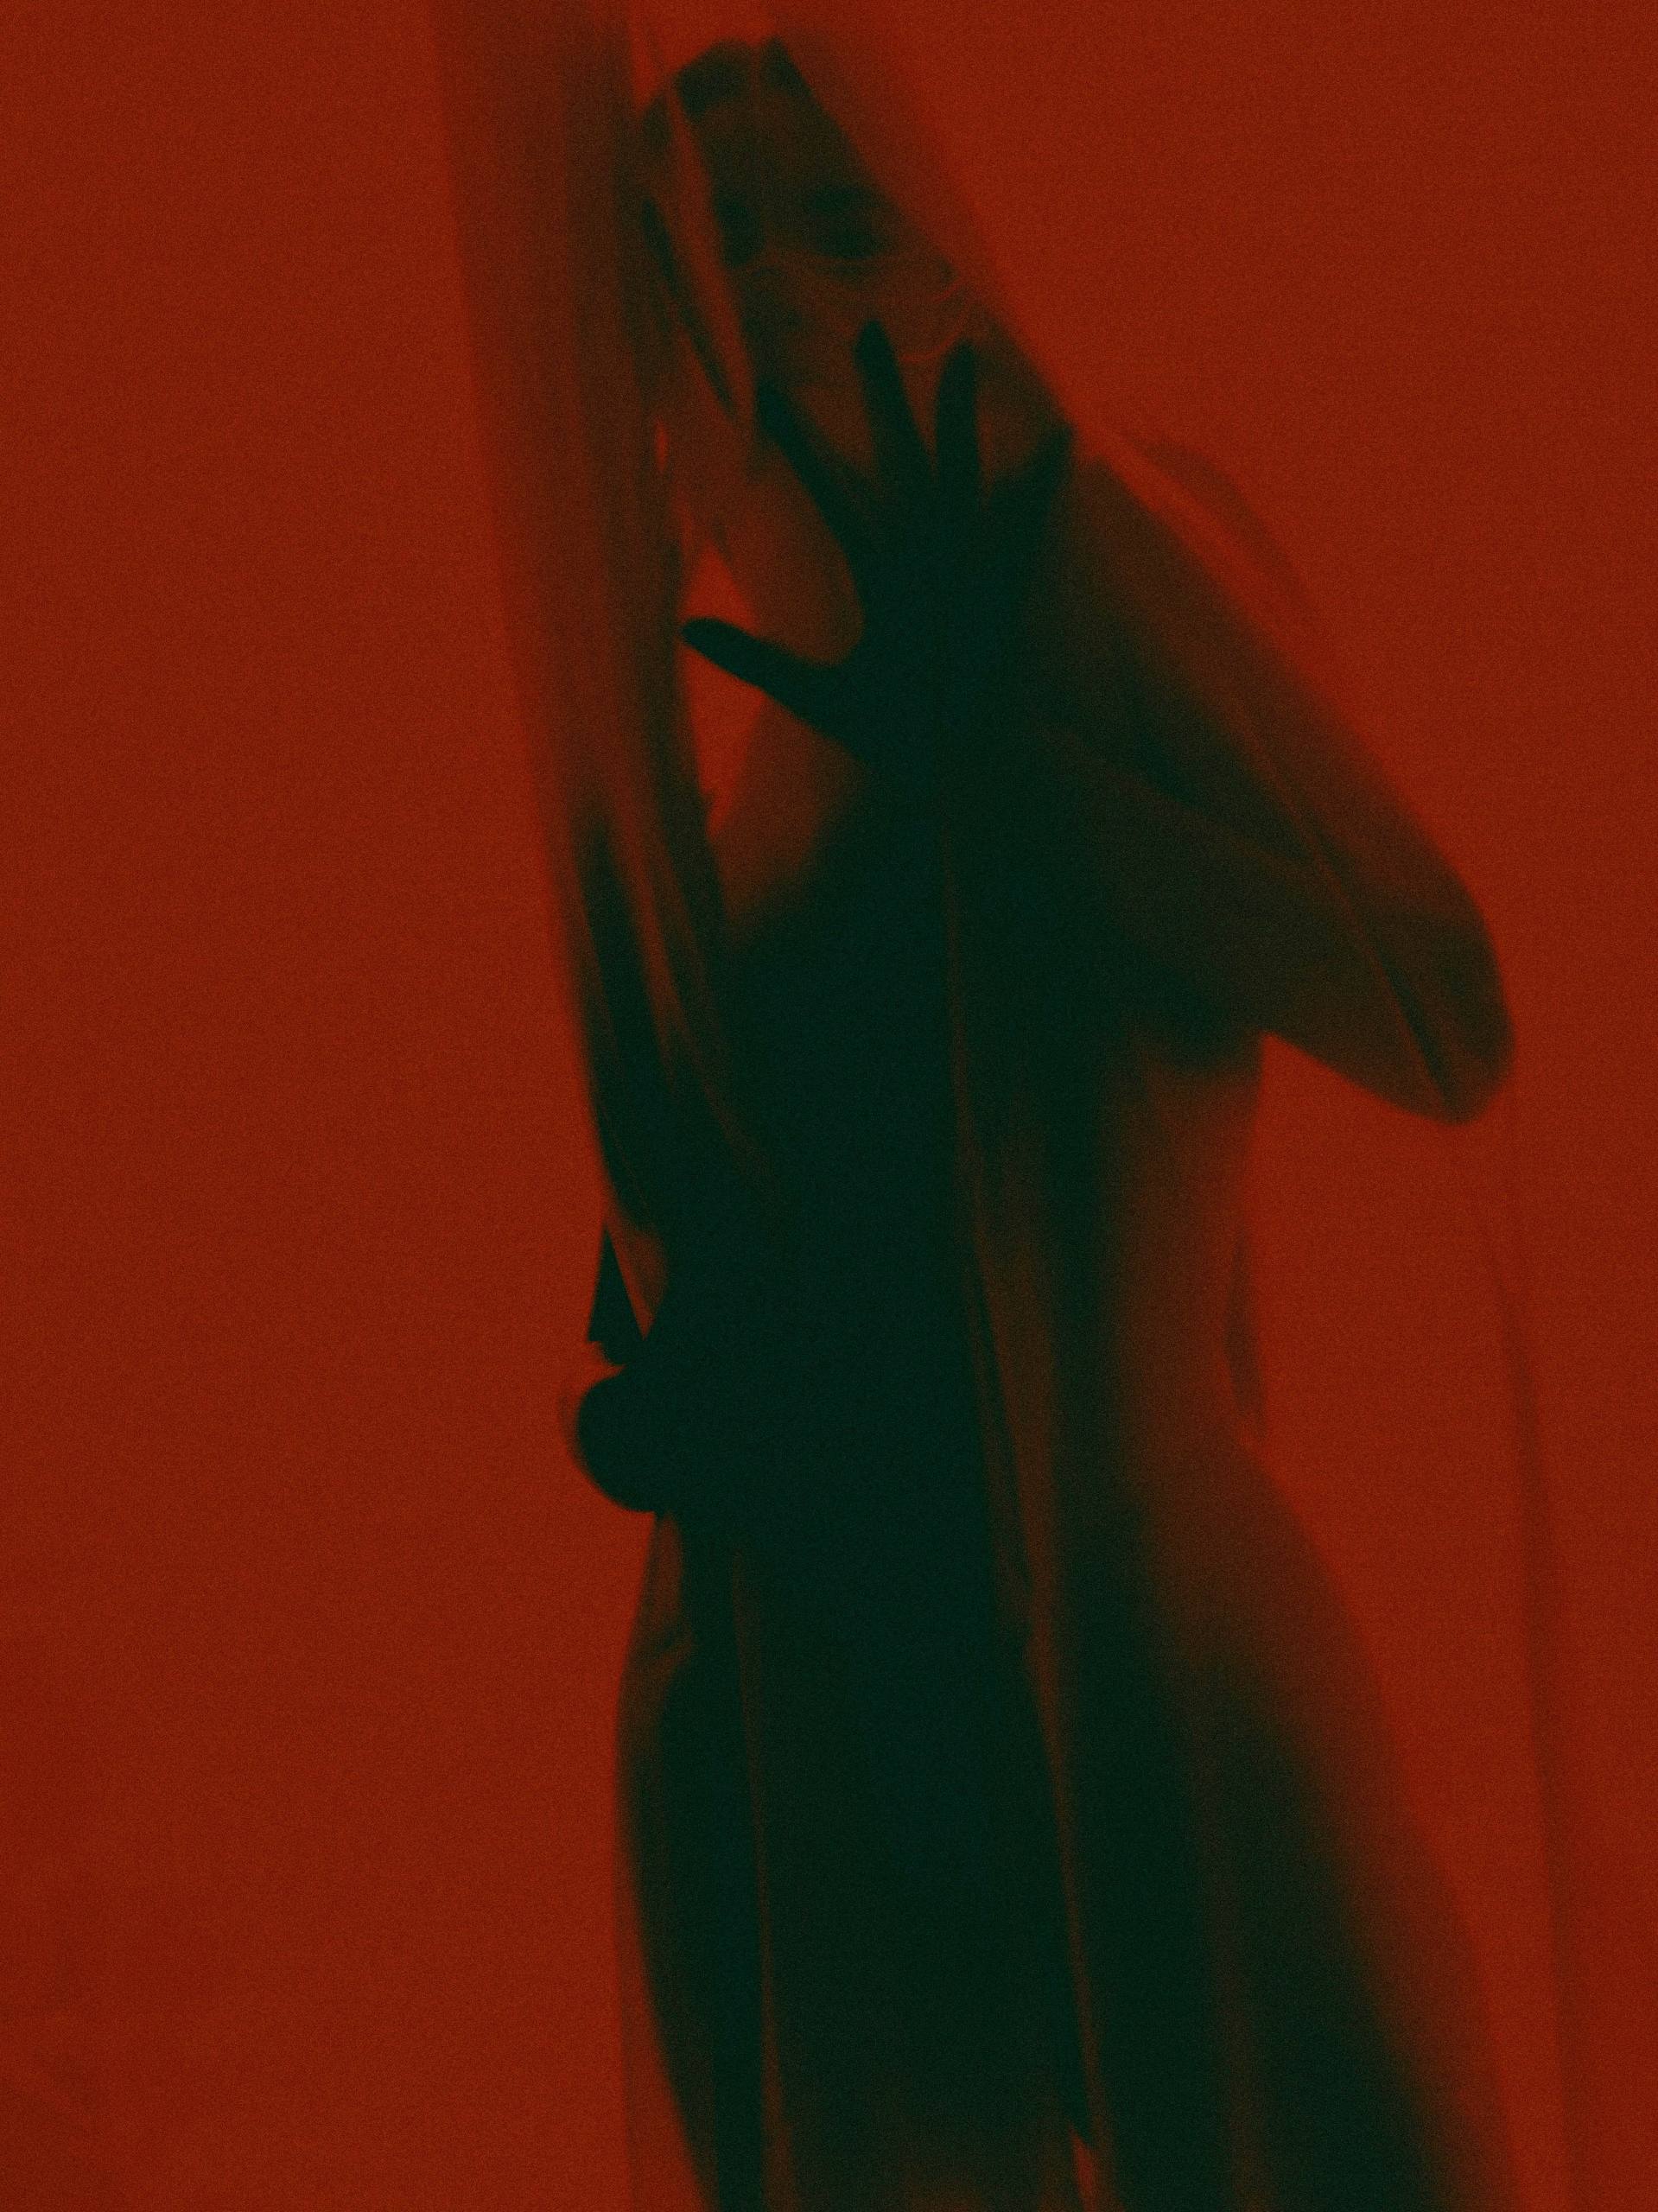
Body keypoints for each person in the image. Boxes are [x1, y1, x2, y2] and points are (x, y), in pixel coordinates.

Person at [557, 34, 1522, 2212]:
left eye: (839, 215)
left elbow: (1441, 1006)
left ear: (950, 243)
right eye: (715, 252)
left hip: (1162, 1686)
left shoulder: (1071, 537)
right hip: (855, 1759)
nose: (783, 286)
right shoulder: (728, 761)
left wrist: (990, 743)